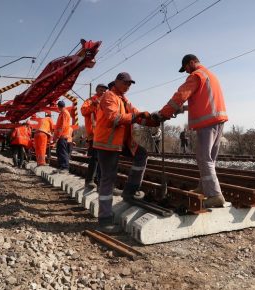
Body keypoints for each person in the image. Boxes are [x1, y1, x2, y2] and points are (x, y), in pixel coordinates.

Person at [153, 54, 228, 208]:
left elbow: (180, 96)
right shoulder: (210, 75)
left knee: (203, 157)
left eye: (186, 67)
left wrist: (163, 113)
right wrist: (183, 109)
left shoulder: (196, 75)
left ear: (192, 62)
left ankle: (215, 195)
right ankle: (204, 186)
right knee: (210, 158)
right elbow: (202, 101)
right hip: (218, 119)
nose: (186, 71)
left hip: (207, 122)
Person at [93, 72, 159, 233]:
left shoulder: (123, 99)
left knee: (141, 154)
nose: (128, 86)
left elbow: (137, 117)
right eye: (126, 83)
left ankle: (130, 191)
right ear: (116, 81)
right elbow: (114, 118)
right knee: (108, 179)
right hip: (107, 144)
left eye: (130, 84)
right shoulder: (109, 96)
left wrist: (156, 118)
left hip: (122, 142)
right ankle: (104, 219)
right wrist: (136, 115)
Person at [81, 83, 108, 188]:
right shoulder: (90, 101)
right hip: (94, 133)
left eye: (105, 90)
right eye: (101, 90)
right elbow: (83, 111)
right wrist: (93, 105)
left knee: (103, 159)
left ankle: (100, 182)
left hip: (104, 134)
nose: (103, 92)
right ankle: (90, 180)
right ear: (97, 90)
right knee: (95, 158)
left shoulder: (106, 102)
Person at [53, 100, 71, 173]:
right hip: (61, 136)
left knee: (62, 152)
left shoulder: (64, 113)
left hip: (63, 135)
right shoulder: (62, 113)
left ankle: (65, 168)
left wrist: (57, 136)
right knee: (59, 152)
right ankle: (60, 167)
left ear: (58, 106)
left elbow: (62, 126)